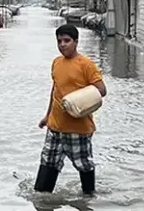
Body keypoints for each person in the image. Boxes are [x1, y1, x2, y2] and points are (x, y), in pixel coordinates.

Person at [35, 24, 108, 195]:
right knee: (47, 166)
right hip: (55, 127)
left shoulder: (86, 65)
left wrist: (78, 101)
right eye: (59, 41)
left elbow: (101, 90)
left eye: (67, 41)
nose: (62, 44)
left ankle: (88, 200)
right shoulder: (56, 62)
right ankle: (43, 203)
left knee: (84, 165)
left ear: (76, 42)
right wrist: (47, 116)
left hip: (78, 129)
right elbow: (55, 90)